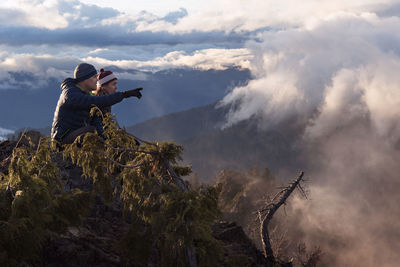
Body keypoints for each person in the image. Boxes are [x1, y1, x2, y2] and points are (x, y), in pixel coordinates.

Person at [51, 63, 142, 144]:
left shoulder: (87, 95)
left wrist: (111, 140)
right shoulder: (71, 94)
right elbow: (96, 102)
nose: (97, 80)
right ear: (84, 79)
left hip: (75, 135)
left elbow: (96, 121)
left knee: (96, 132)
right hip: (61, 140)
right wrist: (124, 95)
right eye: (94, 77)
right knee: (91, 131)